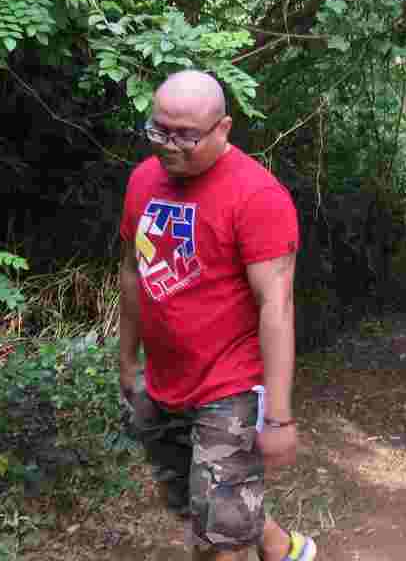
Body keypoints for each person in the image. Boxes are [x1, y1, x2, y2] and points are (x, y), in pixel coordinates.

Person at [118, 70, 317, 561]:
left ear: (223, 128)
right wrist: (127, 360)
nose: (168, 145)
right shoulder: (143, 180)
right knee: (202, 502)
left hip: (231, 386)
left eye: (185, 136)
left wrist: (279, 417)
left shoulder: (257, 196)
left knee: (214, 539)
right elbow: (131, 273)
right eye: (159, 130)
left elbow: (276, 306)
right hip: (165, 378)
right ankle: (282, 549)